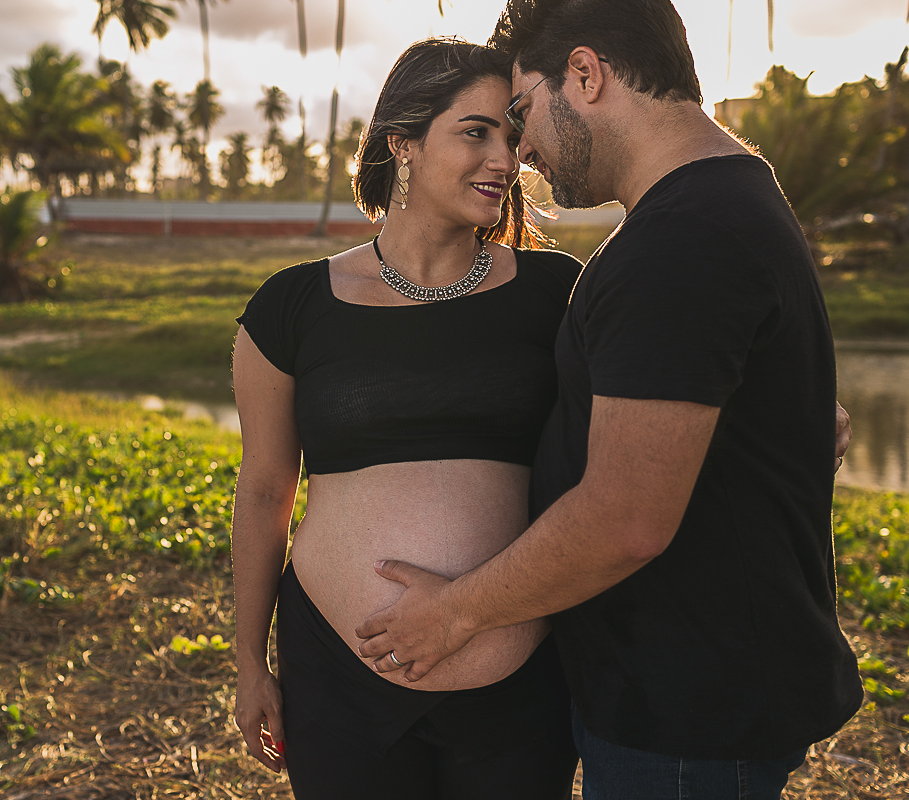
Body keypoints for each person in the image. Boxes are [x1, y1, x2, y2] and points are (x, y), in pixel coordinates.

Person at [354, 2, 864, 799]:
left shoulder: (680, 241)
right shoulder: (723, 199)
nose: (520, 151)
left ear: (585, 75)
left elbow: (624, 521)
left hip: (689, 713)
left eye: (522, 115)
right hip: (694, 688)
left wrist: (453, 613)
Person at [231, 39, 585, 799]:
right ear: (404, 143)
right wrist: (248, 664)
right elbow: (264, 491)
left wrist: (795, 396)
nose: (504, 159)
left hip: (520, 681)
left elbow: (668, 375)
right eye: (476, 132)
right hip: (337, 682)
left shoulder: (557, 292)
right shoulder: (291, 307)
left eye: (514, 138)